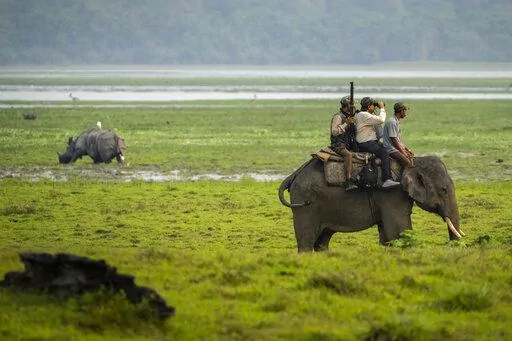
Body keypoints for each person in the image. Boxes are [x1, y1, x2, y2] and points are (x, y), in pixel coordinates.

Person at [355, 97, 401, 189]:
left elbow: (380, 133)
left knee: (386, 148)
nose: (374, 107)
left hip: (370, 142)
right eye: (373, 105)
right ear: (369, 107)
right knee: (384, 152)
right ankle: (386, 179)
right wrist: (382, 108)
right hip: (366, 143)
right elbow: (381, 119)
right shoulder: (364, 115)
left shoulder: (364, 115)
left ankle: (379, 165)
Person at [330, 96, 358, 191]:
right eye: (352, 105)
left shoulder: (348, 116)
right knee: (348, 155)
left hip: (346, 143)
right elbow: (334, 132)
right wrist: (346, 123)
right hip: (338, 144)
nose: (353, 106)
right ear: (347, 106)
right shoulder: (338, 116)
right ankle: (348, 180)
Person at [383, 102, 414, 168]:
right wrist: (404, 153)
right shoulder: (392, 122)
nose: (406, 112)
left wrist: (407, 149)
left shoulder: (396, 121)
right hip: (391, 149)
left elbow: (398, 139)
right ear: (401, 111)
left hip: (395, 148)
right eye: (405, 110)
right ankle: (403, 178)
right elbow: (394, 141)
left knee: (411, 157)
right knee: (407, 162)